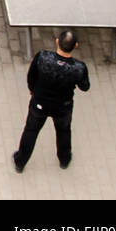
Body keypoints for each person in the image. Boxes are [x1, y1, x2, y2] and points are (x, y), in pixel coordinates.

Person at [13, 31, 91, 173]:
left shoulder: (42, 57)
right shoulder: (79, 68)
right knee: (63, 131)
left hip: (39, 103)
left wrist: (32, 90)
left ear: (57, 41)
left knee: (31, 130)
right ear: (76, 46)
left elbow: (31, 76)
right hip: (63, 107)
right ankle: (64, 159)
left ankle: (20, 162)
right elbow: (85, 87)